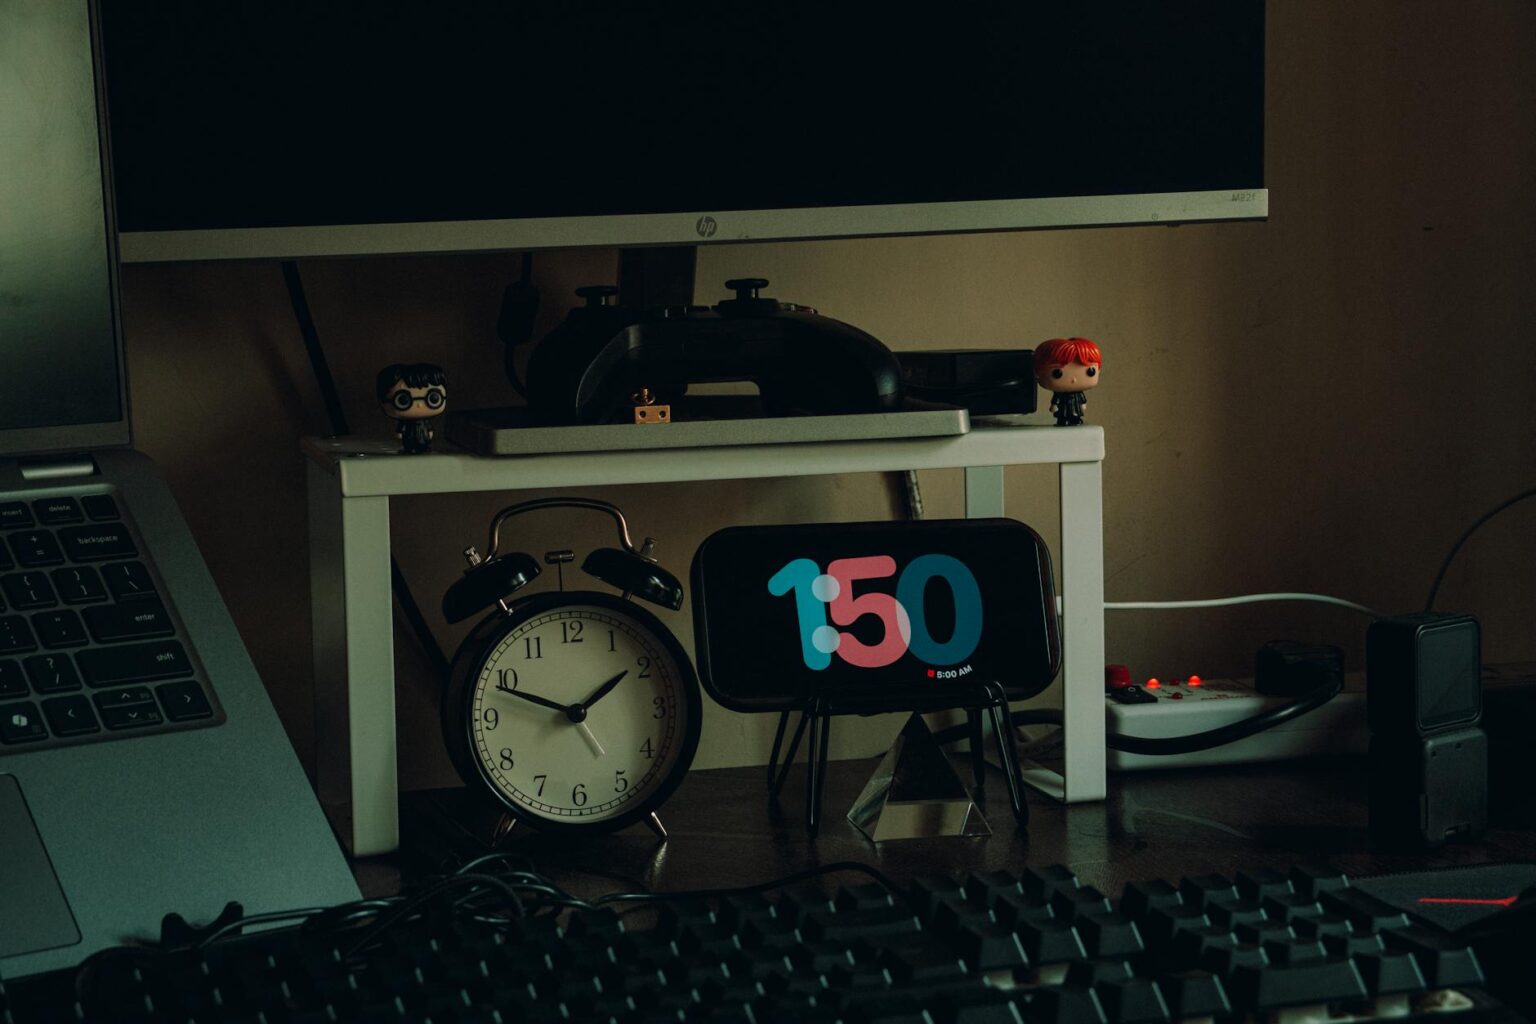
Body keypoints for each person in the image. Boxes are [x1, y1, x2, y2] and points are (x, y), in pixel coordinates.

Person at [377, 363, 447, 453]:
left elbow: (428, 428)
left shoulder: (424, 422)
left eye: (433, 398)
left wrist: (429, 432)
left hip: (423, 438)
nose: (419, 405)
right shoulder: (405, 422)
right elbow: (400, 429)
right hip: (408, 438)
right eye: (403, 400)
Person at [1032, 337, 1101, 426]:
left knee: (1075, 414)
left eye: (1090, 372)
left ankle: (1076, 419)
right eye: (1057, 373)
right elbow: (1056, 399)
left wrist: (1083, 404)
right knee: (1063, 414)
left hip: (1075, 408)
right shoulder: (1059, 394)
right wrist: (1054, 405)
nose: (1074, 380)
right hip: (1063, 407)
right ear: (1038, 373)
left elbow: (1082, 398)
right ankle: (1064, 420)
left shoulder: (1078, 394)